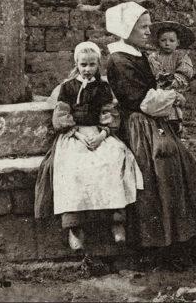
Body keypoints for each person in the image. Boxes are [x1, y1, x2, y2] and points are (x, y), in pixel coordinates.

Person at [106, 1, 196, 269]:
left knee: (181, 171)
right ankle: (163, 250)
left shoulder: (136, 54)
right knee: (160, 176)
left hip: (153, 122)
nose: (148, 32)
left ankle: (182, 246)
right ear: (127, 28)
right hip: (139, 127)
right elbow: (142, 100)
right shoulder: (119, 60)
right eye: (142, 27)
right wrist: (175, 96)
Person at [34, 41, 143, 251]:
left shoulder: (103, 87)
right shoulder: (67, 87)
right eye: (83, 64)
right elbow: (61, 115)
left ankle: (116, 220)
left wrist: (103, 134)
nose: (87, 69)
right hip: (74, 135)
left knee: (112, 159)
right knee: (73, 167)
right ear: (77, 63)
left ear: (98, 65)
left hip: (98, 132)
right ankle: (75, 227)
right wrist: (76, 134)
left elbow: (109, 112)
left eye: (92, 65)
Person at [146, 21, 195, 136]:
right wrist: (158, 79)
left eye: (171, 41)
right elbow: (151, 72)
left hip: (174, 89)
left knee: (173, 112)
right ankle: (158, 130)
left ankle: (175, 128)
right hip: (158, 90)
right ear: (158, 41)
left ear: (178, 42)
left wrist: (173, 81)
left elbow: (185, 72)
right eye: (163, 40)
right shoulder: (153, 57)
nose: (167, 44)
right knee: (157, 111)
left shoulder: (181, 57)